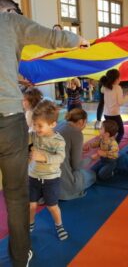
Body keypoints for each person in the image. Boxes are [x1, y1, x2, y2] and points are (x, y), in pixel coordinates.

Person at [0, 0, 88, 266]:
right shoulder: (10, 19)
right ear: (10, 11)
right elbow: (51, 36)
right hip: (7, 117)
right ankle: (19, 257)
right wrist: (78, 40)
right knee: (15, 193)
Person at [29, 100, 68, 241]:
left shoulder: (58, 141)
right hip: (33, 176)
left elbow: (61, 157)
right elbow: (25, 138)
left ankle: (59, 225)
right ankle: (30, 223)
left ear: (52, 124)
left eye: (40, 126)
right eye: (34, 124)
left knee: (52, 206)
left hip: (51, 178)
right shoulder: (34, 134)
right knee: (31, 204)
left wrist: (43, 157)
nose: (36, 128)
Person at [56, 108, 96, 200]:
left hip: (45, 180)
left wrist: (79, 149)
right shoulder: (76, 132)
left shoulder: (60, 125)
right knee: (92, 175)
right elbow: (76, 166)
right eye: (86, 122)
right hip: (63, 183)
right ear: (81, 121)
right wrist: (92, 158)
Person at [100, 69, 128, 143]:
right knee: (121, 132)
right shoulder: (118, 88)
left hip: (106, 114)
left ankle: (106, 144)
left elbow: (102, 90)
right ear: (116, 79)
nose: (120, 79)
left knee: (109, 132)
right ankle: (114, 146)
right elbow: (120, 102)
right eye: (119, 77)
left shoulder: (105, 87)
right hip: (115, 114)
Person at [52, 24, 66, 107]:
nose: (56, 31)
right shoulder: (51, 41)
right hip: (57, 65)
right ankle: (63, 99)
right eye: (54, 30)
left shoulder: (64, 40)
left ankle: (72, 98)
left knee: (70, 81)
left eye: (58, 30)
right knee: (60, 83)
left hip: (65, 63)